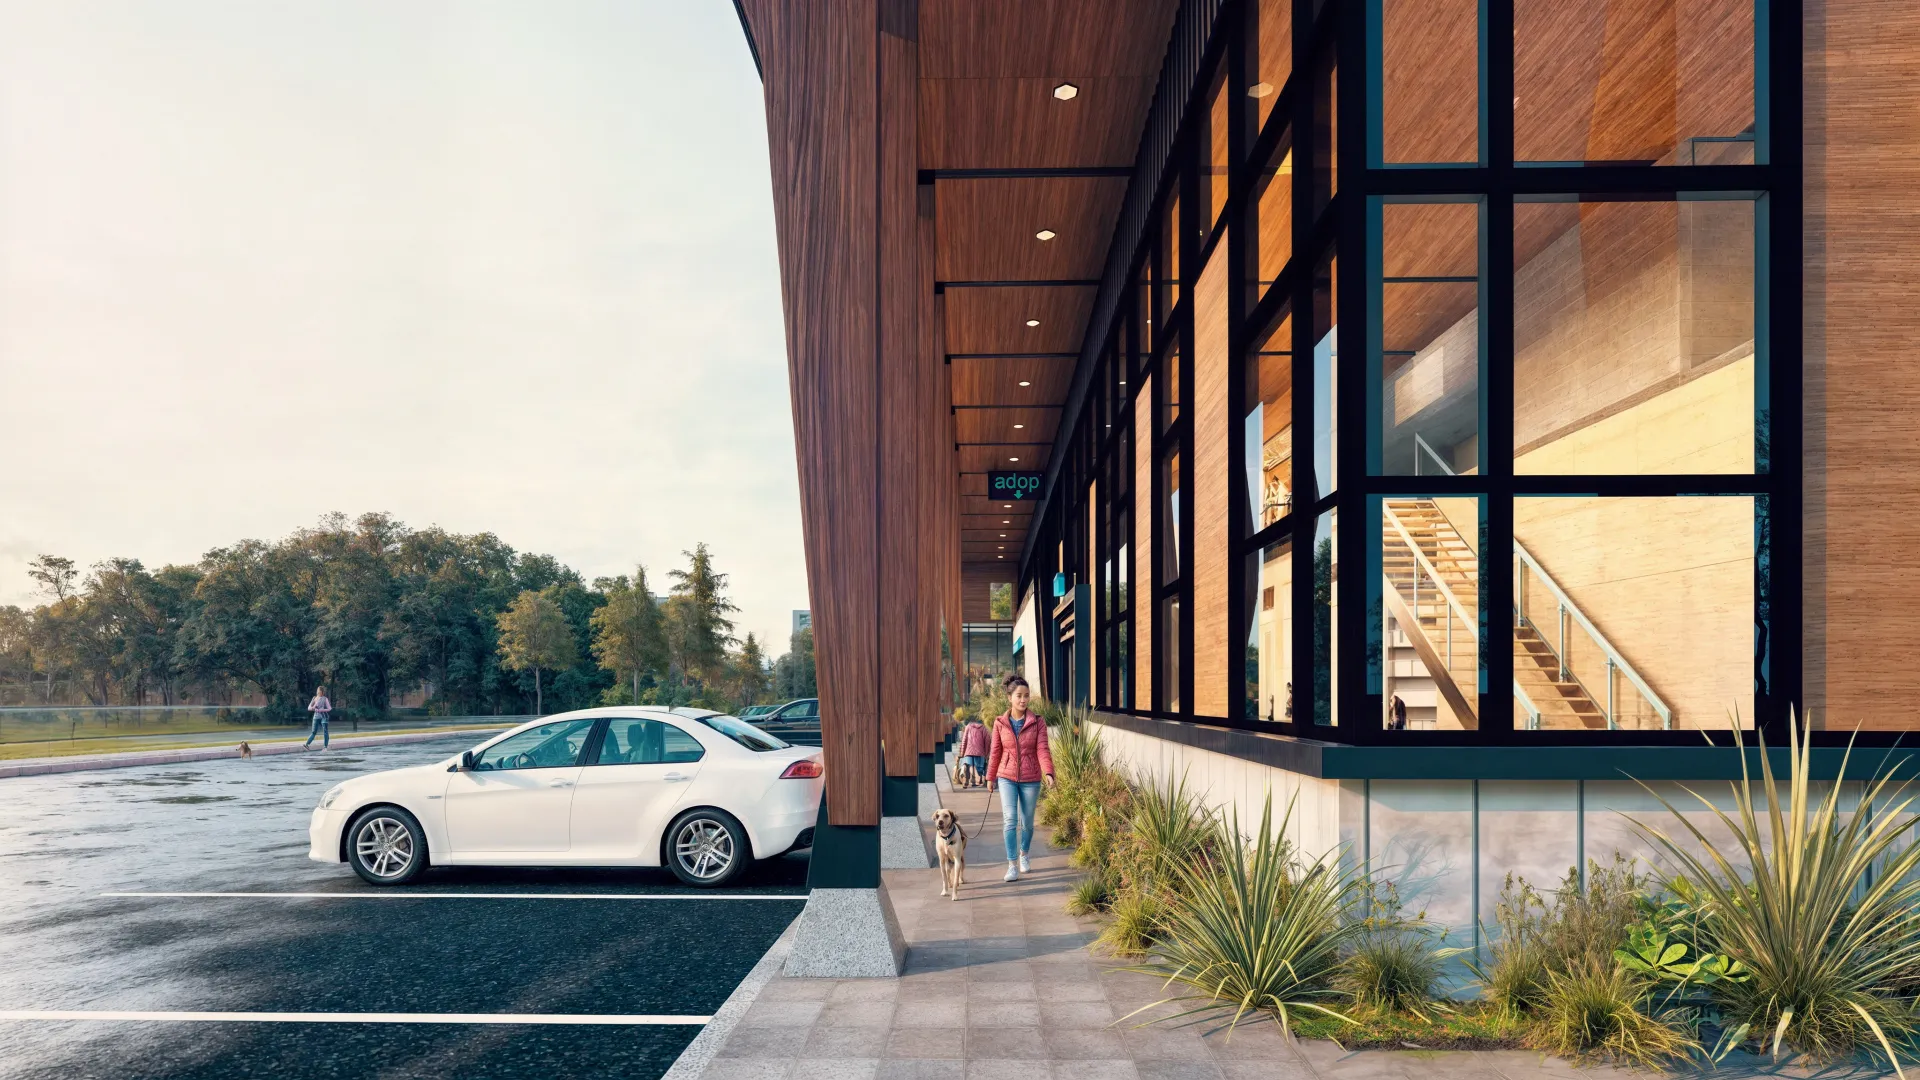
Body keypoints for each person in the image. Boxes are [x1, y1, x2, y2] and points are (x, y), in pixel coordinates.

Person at [984, 675, 1053, 882]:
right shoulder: (1000, 723)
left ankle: (1024, 854)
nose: (1023, 700)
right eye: (1019, 696)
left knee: (1028, 822)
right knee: (1010, 820)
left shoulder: (1037, 722)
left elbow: (1042, 749)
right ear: (1010, 697)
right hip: (1006, 777)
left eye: (1026, 696)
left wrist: (1048, 772)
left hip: (1031, 778)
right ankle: (1012, 865)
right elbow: (995, 752)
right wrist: (990, 777)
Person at [958, 717, 988, 788]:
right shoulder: (983, 728)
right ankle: (978, 779)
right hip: (980, 751)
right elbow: (987, 741)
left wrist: (962, 752)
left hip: (968, 750)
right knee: (979, 768)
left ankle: (969, 775)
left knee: (970, 765)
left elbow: (964, 740)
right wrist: (986, 753)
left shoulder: (968, 727)